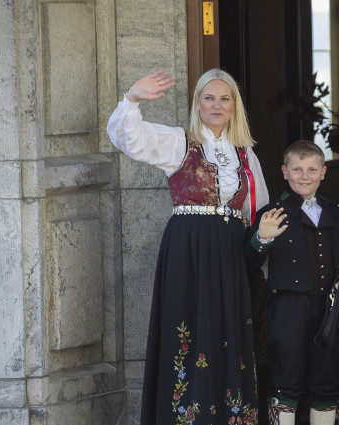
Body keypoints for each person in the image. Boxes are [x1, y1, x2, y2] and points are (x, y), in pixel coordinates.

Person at [107, 69, 269, 425]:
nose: (217, 105)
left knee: (226, 333)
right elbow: (129, 138)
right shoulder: (179, 142)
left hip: (229, 252)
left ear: (234, 106)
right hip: (189, 250)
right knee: (188, 331)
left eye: (224, 98)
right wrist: (132, 98)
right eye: (208, 98)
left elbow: (257, 213)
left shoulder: (245, 155)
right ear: (197, 103)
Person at [243, 140, 339, 425]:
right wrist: (261, 238)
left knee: (327, 379)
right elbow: (247, 263)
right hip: (287, 309)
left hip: (329, 310)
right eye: (297, 169)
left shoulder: (337, 215)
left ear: (323, 172)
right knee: (286, 378)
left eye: (312, 169)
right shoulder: (272, 214)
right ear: (284, 172)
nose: (305, 176)